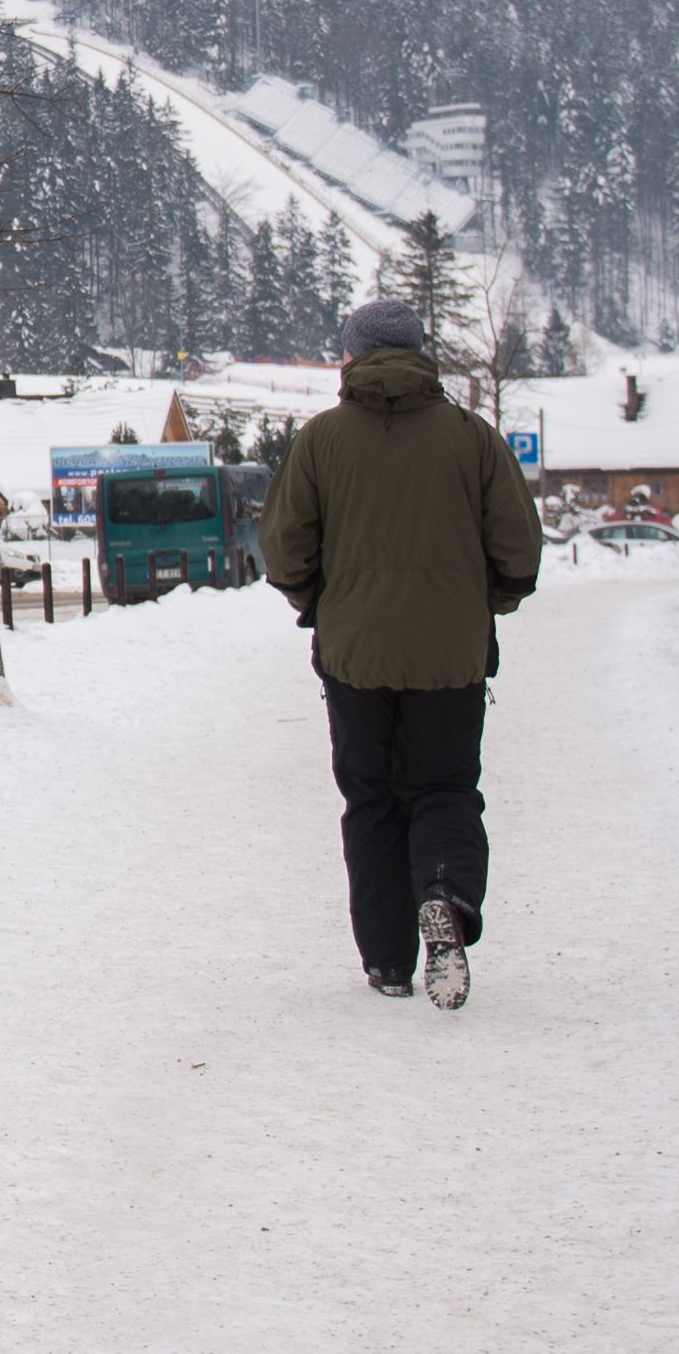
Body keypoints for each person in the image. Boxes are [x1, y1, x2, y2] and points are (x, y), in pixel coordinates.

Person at [260, 296, 542, 1010]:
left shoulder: (321, 441)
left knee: (372, 799)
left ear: (351, 357)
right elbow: (519, 551)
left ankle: (388, 958)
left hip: (354, 654)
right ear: (421, 353)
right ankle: (444, 894)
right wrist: (487, 603)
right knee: (444, 788)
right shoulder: (472, 438)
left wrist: (320, 601)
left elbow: (285, 550)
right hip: (451, 654)